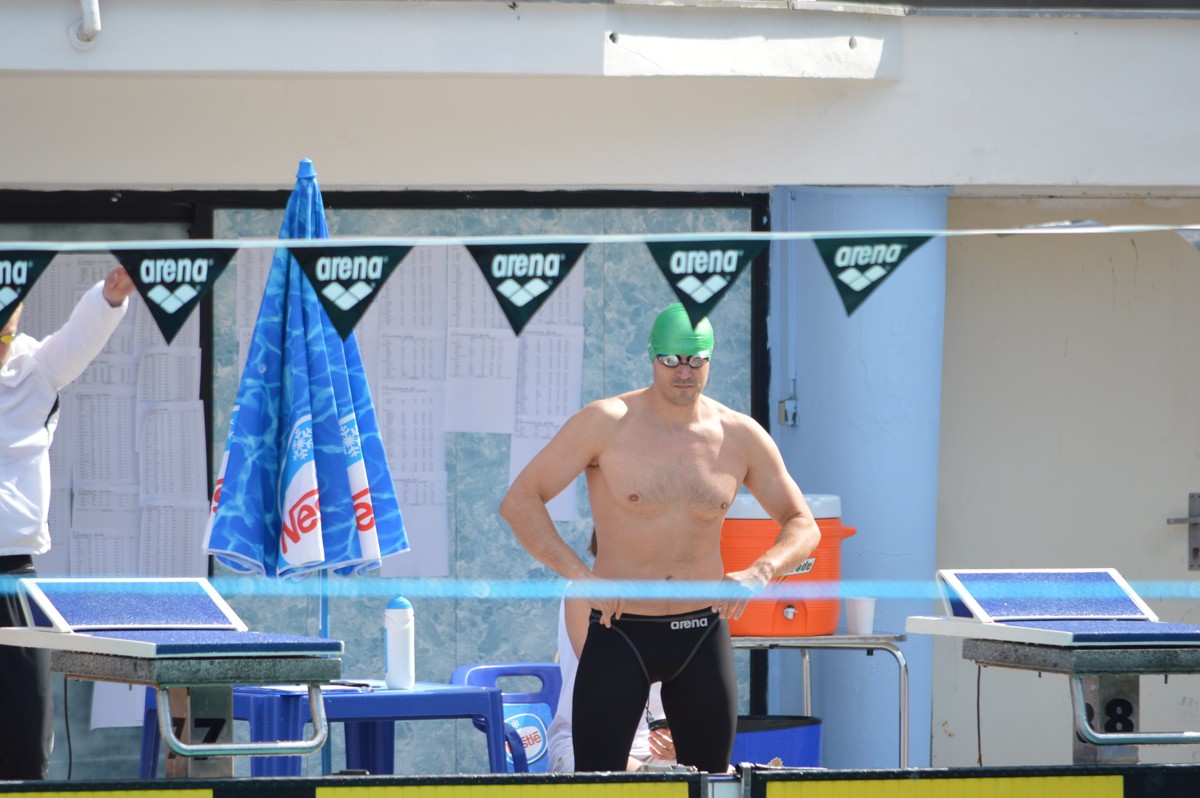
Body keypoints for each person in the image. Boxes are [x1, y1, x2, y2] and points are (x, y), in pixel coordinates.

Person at [500, 302, 821, 774]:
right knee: (600, 786)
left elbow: (804, 524)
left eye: (695, 359)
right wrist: (581, 577)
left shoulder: (739, 436)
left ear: (710, 360)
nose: (683, 371)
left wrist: (761, 569)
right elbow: (520, 501)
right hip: (620, 630)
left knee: (711, 784)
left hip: (701, 632)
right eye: (670, 359)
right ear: (652, 357)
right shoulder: (606, 423)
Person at [0, 265, 135, 780]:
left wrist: (108, 298)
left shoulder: (35, 369)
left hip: (12, 575)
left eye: (7, 335)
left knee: (24, 731)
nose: (2, 348)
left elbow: (77, 341)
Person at [546, 533, 676, 772]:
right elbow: (604, 678)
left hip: (657, 752)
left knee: (715, 777)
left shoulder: (679, 596)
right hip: (583, 743)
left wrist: (679, 736)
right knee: (646, 781)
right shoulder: (583, 593)